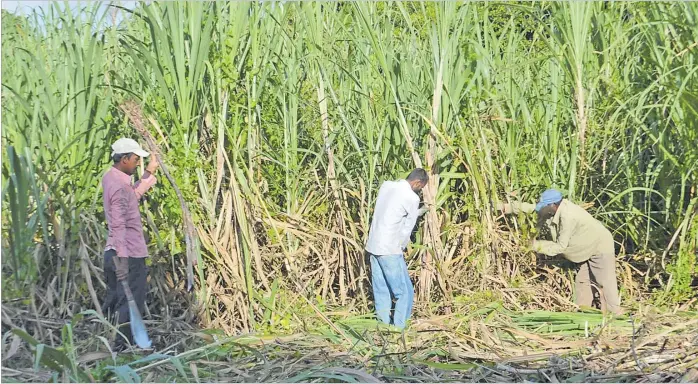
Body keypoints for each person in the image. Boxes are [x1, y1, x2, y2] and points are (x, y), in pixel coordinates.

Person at [497, 189, 623, 315]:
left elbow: (560, 246)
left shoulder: (568, 216)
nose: (541, 209)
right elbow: (531, 208)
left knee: (605, 283)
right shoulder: (552, 208)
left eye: (544, 206)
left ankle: (615, 316)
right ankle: (584, 315)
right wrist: (506, 207)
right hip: (583, 247)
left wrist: (535, 245)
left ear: (553, 205)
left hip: (599, 245)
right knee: (582, 282)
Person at [101, 138, 159, 350]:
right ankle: (121, 349)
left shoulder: (114, 179)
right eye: (135, 159)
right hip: (127, 254)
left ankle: (109, 343)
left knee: (118, 300)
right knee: (129, 302)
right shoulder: (118, 186)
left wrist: (149, 174)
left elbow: (131, 197)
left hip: (116, 252)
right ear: (124, 159)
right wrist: (123, 261)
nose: (137, 163)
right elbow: (118, 226)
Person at [365, 168, 429, 329]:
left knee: (381, 289)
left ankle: (384, 325)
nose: (419, 191)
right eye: (420, 188)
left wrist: (419, 211)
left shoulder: (386, 186)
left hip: (373, 245)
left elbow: (393, 211)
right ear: (417, 183)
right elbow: (408, 227)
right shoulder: (411, 197)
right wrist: (401, 246)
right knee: (404, 291)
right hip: (389, 249)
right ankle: (399, 328)